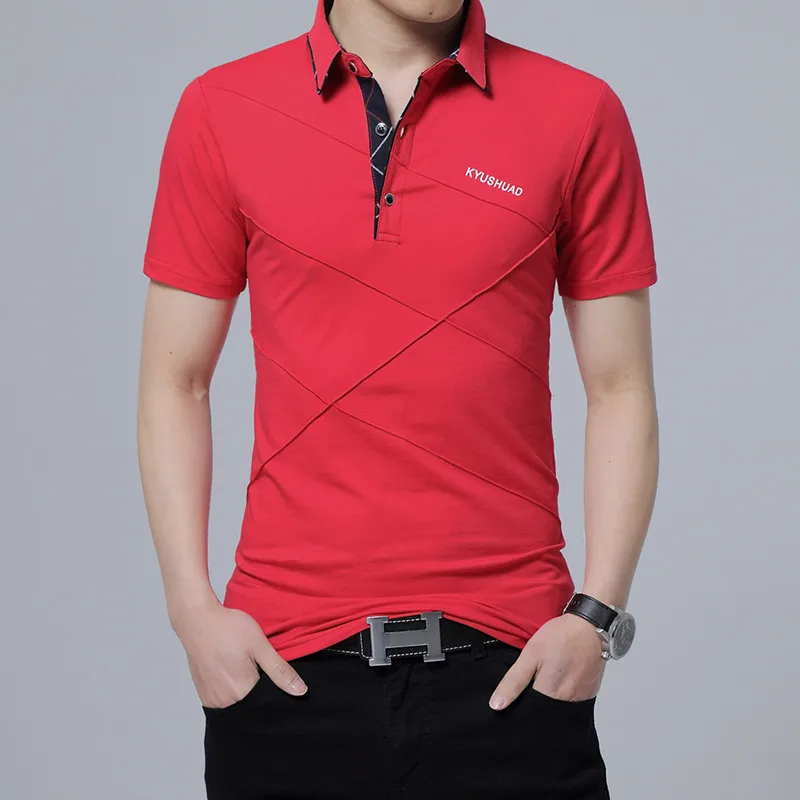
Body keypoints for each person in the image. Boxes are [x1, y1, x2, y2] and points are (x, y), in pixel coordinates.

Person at [137, 0, 659, 796]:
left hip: (515, 674)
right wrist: (190, 612)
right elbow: (177, 381)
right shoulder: (222, 107)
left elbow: (620, 388)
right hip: (285, 674)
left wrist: (596, 617)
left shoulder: (578, 111)